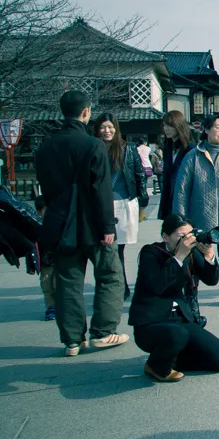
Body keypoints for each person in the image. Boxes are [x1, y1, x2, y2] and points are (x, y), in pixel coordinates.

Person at [35, 91, 130, 356]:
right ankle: (103, 331)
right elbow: (100, 190)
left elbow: (44, 191)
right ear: (86, 112)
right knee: (110, 275)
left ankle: (73, 340)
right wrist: (108, 227)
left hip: (61, 224)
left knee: (67, 282)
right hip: (92, 224)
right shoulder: (92, 145)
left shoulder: (45, 148)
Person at [129, 215, 219, 382]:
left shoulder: (190, 253)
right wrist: (179, 257)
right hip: (151, 323)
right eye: (181, 236)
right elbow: (158, 286)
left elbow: (211, 280)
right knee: (177, 334)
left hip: (181, 320)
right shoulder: (150, 253)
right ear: (165, 237)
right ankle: (155, 366)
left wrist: (209, 256)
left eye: (190, 234)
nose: (187, 240)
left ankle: (171, 359)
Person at [173, 114, 219, 308]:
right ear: (206, 130)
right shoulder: (193, 157)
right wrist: (180, 221)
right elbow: (181, 189)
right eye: (218, 127)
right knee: (195, 258)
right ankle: (191, 294)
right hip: (200, 217)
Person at [93, 113, 148, 302]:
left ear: (116, 129)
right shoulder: (93, 149)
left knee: (120, 249)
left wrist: (143, 200)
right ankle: (115, 285)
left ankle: (121, 285)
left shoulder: (128, 149)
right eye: (102, 127)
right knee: (107, 249)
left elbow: (139, 175)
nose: (107, 131)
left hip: (125, 203)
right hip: (101, 206)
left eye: (110, 127)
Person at [158, 111, 195, 221]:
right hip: (169, 196)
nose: (166, 129)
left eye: (170, 125)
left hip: (184, 198)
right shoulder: (168, 147)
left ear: (178, 126)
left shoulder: (190, 148)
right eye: (164, 125)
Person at [33, 196, 56, 321]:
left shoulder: (57, 225)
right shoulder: (37, 227)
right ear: (39, 212)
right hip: (45, 263)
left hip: (59, 261)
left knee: (58, 285)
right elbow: (32, 248)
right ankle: (51, 307)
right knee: (47, 287)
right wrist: (32, 266)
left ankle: (61, 306)